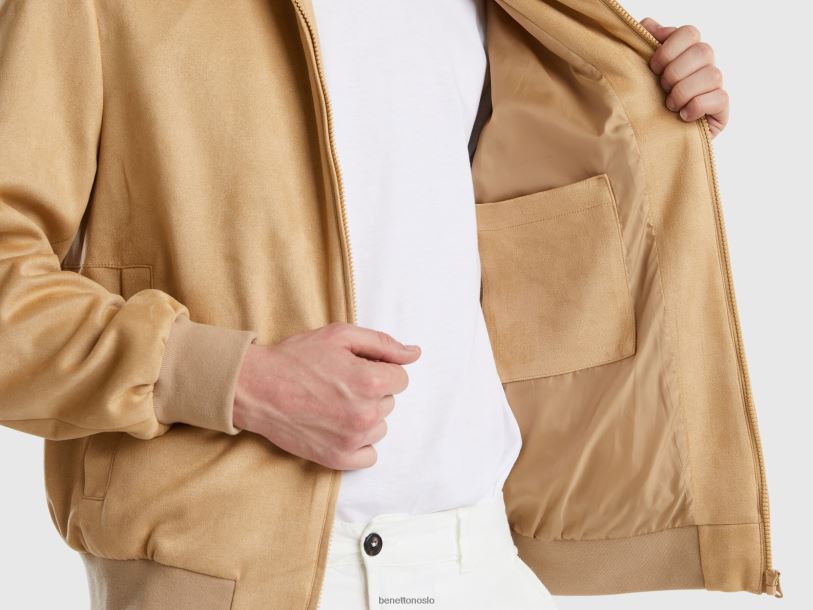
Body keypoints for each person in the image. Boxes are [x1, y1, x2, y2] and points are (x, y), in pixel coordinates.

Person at [0, 2, 742, 609]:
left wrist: (646, 99)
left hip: (479, 558)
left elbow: (487, 225)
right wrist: (233, 379)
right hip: (232, 573)